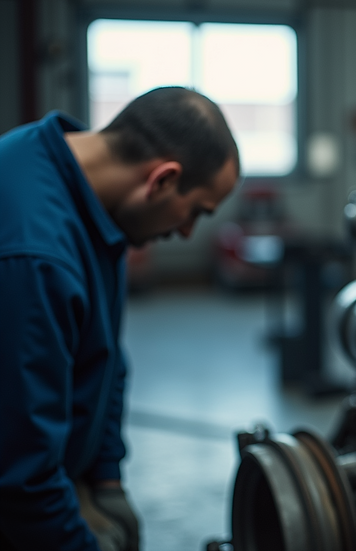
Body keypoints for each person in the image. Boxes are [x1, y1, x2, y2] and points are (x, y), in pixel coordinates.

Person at [0, 87, 240, 550]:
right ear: (163, 180)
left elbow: (104, 356)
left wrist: (106, 478)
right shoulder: (35, 258)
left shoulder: (86, 190)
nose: (188, 231)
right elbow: (20, 479)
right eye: (195, 212)